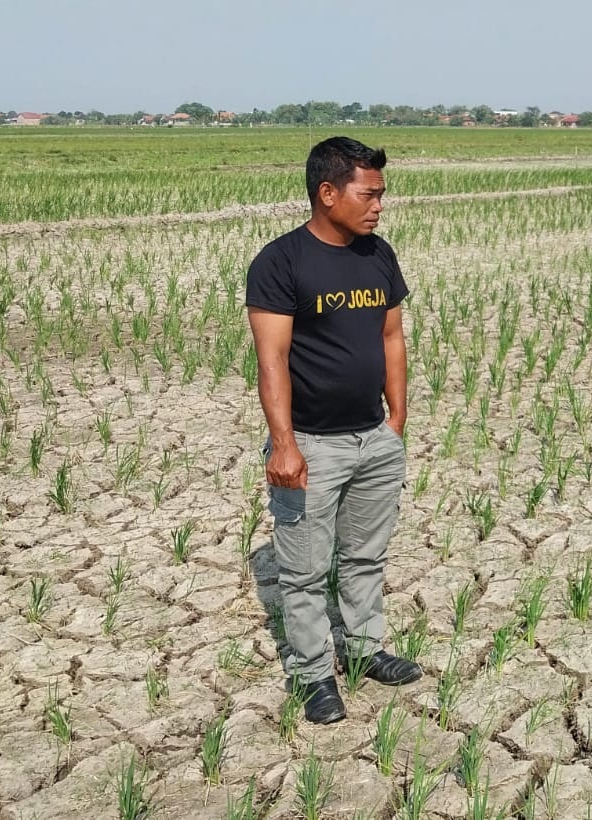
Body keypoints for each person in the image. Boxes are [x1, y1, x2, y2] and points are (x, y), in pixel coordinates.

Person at [246, 136, 420, 725]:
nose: (378, 205)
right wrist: (286, 445)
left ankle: (366, 649)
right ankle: (313, 674)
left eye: (381, 194)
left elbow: (391, 337)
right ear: (327, 193)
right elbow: (271, 360)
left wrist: (394, 421)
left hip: (374, 438)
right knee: (304, 570)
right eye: (367, 194)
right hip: (312, 445)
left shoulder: (379, 255)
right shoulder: (281, 262)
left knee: (367, 557)